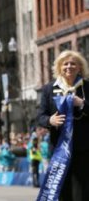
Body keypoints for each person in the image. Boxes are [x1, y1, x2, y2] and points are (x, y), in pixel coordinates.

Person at [37, 50, 89, 200]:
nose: (69, 66)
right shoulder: (49, 89)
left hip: (83, 150)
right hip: (60, 150)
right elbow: (40, 116)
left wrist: (82, 104)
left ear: (80, 67)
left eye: (73, 63)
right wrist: (49, 121)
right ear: (59, 67)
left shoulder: (87, 87)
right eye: (65, 63)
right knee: (61, 192)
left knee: (82, 192)